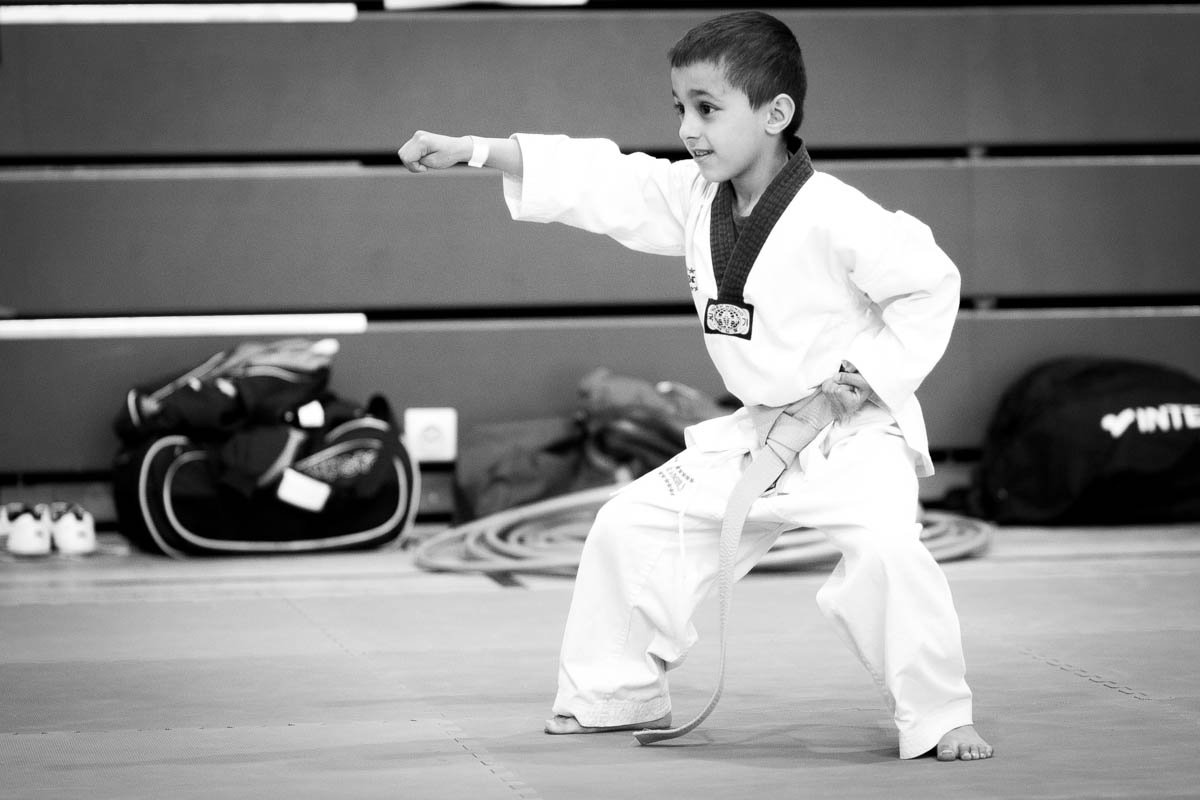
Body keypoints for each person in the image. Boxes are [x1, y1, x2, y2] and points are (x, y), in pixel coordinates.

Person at [398, 9, 993, 762]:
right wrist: (478, 151)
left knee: (886, 552)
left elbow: (930, 285)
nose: (687, 128)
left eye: (708, 109)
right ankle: (615, 693)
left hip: (851, 433)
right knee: (629, 525)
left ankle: (939, 714)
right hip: (759, 433)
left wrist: (860, 382)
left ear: (776, 113)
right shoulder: (696, 199)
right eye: (679, 107)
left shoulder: (836, 213)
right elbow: (605, 178)